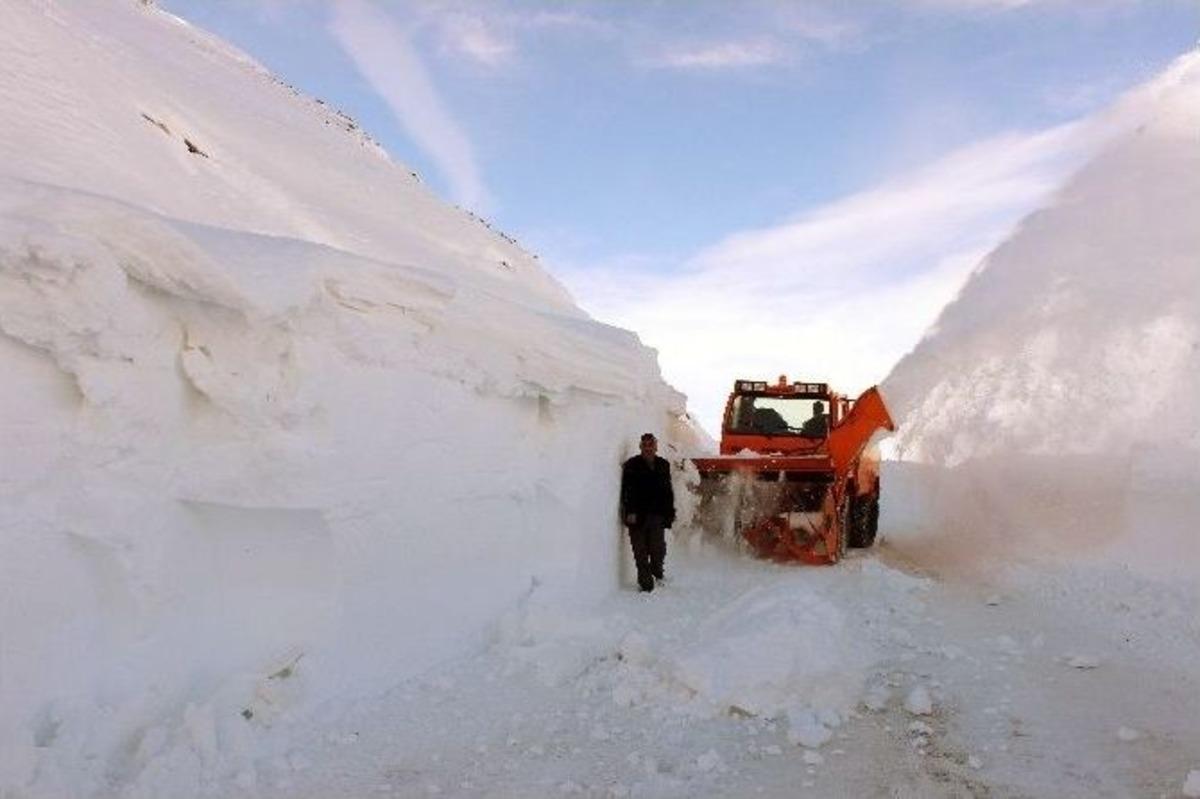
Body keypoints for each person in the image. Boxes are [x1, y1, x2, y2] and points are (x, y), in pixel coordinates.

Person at [620, 433, 675, 592]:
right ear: (640, 447)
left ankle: (657, 572)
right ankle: (645, 584)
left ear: (656, 447)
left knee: (658, 549)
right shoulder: (632, 465)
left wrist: (669, 513)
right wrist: (630, 511)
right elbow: (627, 490)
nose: (648, 448)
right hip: (637, 516)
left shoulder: (663, 465)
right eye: (645, 445)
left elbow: (667, 491)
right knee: (640, 551)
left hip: (657, 514)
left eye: (651, 445)